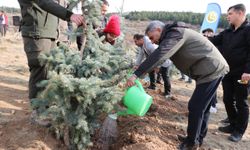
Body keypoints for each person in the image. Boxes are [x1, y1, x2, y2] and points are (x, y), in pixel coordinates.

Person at [126, 21, 229, 149]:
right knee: (203, 107)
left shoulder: (175, 33)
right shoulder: (173, 34)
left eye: (152, 38)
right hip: (206, 70)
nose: (152, 42)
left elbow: (160, 54)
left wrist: (136, 74)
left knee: (195, 106)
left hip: (211, 69)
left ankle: (191, 143)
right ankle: (197, 138)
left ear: (158, 29)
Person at [17, 0, 85, 126]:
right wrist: (69, 15)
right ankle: (38, 113)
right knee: (40, 71)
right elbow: (43, 2)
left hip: (50, 34)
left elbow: (59, 5)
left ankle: (46, 107)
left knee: (50, 72)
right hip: (37, 34)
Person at [209, 4, 250, 142]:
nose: (228, 17)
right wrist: (200, 38)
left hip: (243, 75)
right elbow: (213, 41)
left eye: (230, 14)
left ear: (240, 13)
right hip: (228, 72)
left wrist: (248, 71)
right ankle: (232, 124)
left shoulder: (248, 30)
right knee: (227, 99)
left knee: (241, 102)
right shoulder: (227, 32)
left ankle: (239, 131)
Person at [133, 34, 172, 98]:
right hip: (154, 61)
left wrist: (158, 67)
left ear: (141, 40)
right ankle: (152, 86)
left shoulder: (149, 45)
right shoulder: (142, 46)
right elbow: (140, 55)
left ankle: (168, 93)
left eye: (136, 41)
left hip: (164, 61)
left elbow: (158, 55)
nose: (135, 43)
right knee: (150, 71)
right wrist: (137, 64)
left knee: (165, 76)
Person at [202, 28, 218, 114]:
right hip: (205, 67)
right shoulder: (202, 43)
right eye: (204, 34)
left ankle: (213, 105)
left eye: (209, 34)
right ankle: (210, 103)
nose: (207, 36)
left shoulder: (216, 43)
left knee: (212, 87)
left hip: (214, 68)